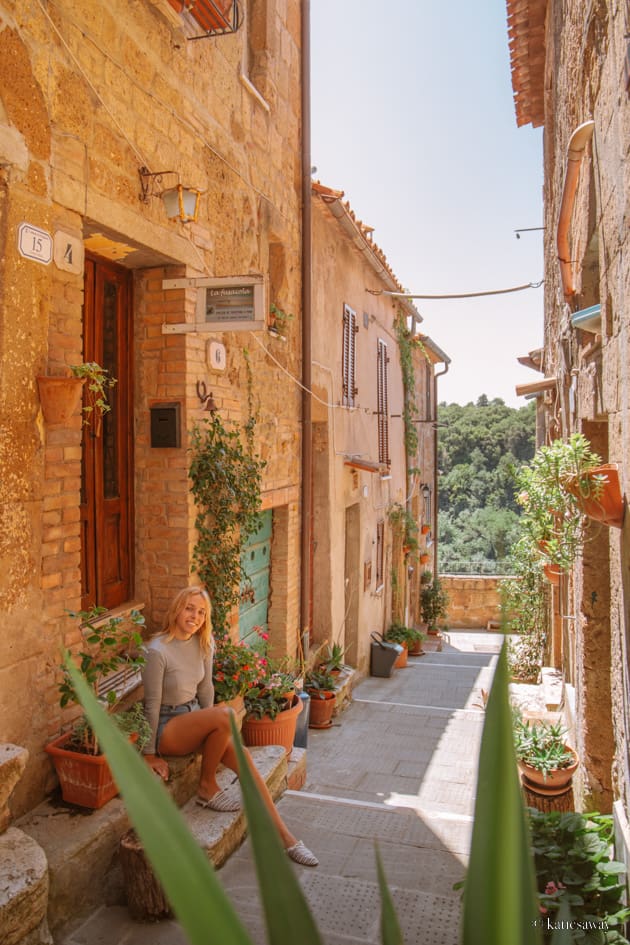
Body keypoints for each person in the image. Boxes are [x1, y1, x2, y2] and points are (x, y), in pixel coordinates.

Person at [141, 585, 318, 867]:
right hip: (167, 728)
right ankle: (207, 785)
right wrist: (149, 753)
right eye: (189, 608)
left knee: (245, 760)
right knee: (224, 715)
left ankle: (287, 840)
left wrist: (217, 738)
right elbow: (150, 704)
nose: (195, 616)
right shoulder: (157, 650)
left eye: (201, 612)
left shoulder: (204, 643)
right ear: (176, 609)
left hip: (195, 719)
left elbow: (206, 692)